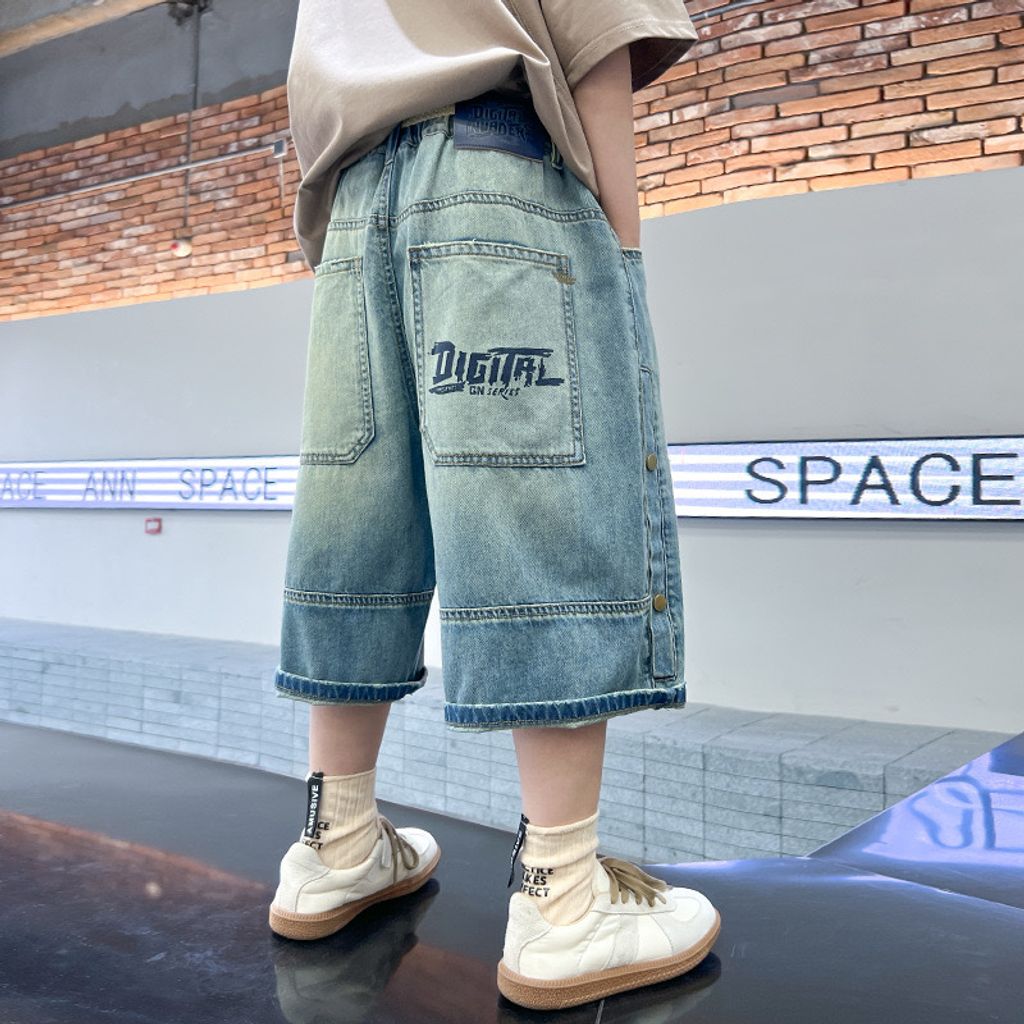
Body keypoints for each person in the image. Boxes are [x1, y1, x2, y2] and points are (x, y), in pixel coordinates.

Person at [267, 0, 721, 1010]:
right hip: (494, 169)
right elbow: (595, 35)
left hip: (356, 198)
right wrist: (617, 254)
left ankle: (335, 844)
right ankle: (564, 901)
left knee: (357, 515)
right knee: (544, 501)